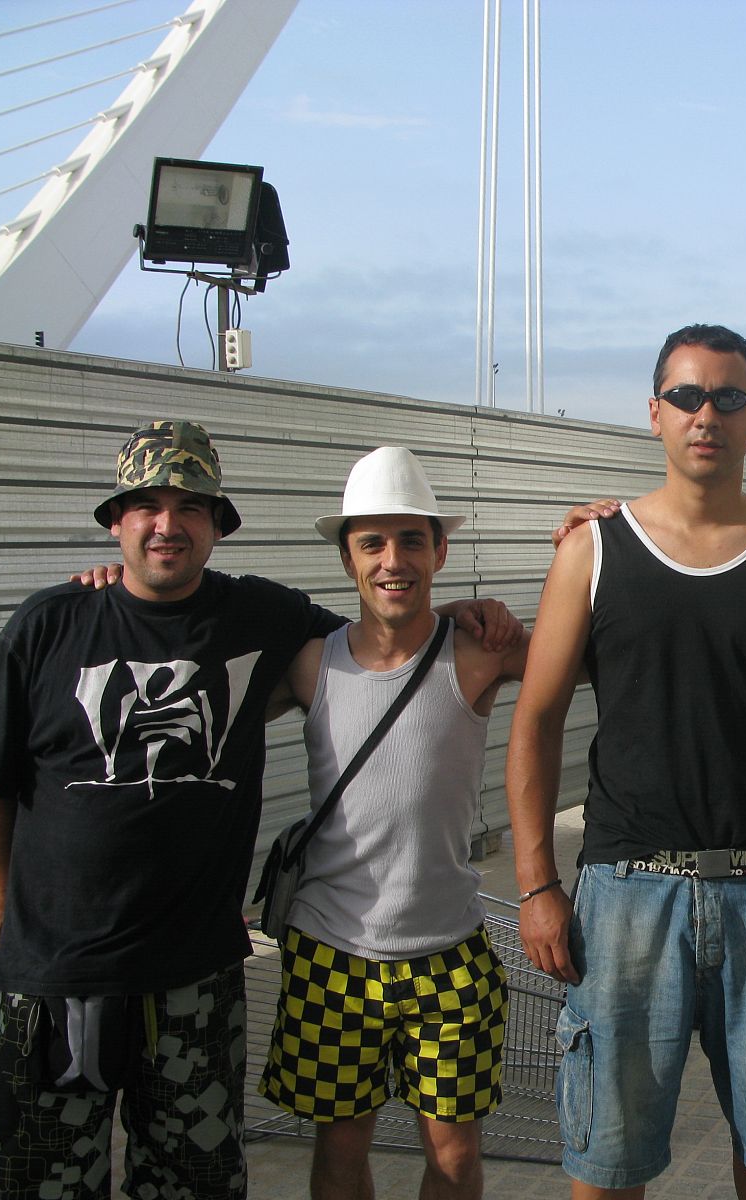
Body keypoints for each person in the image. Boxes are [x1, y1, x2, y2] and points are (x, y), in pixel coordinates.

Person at [0, 422, 516, 1200]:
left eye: (190, 507)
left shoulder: (263, 617)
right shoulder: (49, 623)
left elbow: (384, 637)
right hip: (57, 973)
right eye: (147, 506)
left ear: (218, 525)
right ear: (115, 521)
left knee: (194, 1184)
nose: (168, 525)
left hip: (195, 976)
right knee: (34, 1183)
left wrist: (465, 612)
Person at [505, 324, 746, 1199]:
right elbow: (535, 719)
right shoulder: (593, 551)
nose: (706, 414)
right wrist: (535, 883)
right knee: (607, 1167)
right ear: (656, 413)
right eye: (686, 396)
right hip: (625, 898)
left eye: (728, 398)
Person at [257, 447, 529, 1200]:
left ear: (440, 550)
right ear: (346, 557)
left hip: (448, 952)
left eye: (412, 540)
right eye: (372, 542)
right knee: (341, 1148)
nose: (393, 560)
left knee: (455, 1157)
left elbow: (594, 654)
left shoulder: (477, 653)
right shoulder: (311, 664)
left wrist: (587, 539)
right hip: (331, 954)